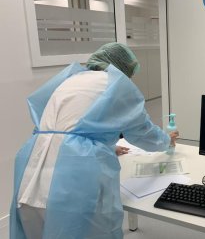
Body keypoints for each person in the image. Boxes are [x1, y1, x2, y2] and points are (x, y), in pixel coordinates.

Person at [10, 42, 179, 239]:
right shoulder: (116, 86)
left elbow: (67, 128)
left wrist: (106, 145)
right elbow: (143, 132)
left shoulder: (72, 80)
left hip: (31, 170)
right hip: (73, 179)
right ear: (123, 68)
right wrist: (167, 140)